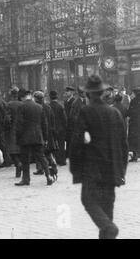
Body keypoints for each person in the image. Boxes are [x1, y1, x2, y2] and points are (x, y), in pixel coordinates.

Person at [70, 75, 128, 239]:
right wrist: (121, 171)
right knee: (107, 210)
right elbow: (123, 145)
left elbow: (76, 143)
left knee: (88, 201)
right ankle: (108, 228)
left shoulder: (86, 112)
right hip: (112, 171)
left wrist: (76, 170)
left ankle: (109, 227)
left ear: (88, 95)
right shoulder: (115, 113)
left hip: (92, 170)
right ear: (103, 92)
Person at [15, 89, 54, 187]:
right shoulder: (39, 107)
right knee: (41, 157)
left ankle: (26, 179)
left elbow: (19, 124)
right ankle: (48, 176)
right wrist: (44, 138)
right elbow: (44, 124)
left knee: (25, 159)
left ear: (23, 97)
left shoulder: (21, 107)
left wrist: (18, 137)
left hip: (25, 137)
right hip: (38, 136)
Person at [34, 91, 58, 180]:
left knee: (40, 152)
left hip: (41, 133)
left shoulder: (37, 108)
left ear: (36, 98)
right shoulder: (48, 107)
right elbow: (52, 120)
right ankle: (52, 162)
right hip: (49, 133)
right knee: (48, 151)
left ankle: (43, 169)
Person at [6, 87, 23, 178]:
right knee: (20, 150)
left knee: (12, 151)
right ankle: (19, 168)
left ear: (11, 95)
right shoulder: (22, 104)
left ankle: (18, 164)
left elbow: (7, 119)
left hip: (12, 129)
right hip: (21, 130)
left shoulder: (9, 104)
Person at [49, 91, 67, 166]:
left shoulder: (48, 106)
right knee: (61, 145)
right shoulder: (60, 106)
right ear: (57, 97)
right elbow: (64, 119)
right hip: (60, 129)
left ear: (50, 97)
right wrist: (64, 127)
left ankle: (53, 161)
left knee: (52, 145)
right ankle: (62, 161)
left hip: (51, 129)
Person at [127, 87, 140, 163]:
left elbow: (130, 112)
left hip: (135, 124)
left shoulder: (134, 101)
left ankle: (135, 155)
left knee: (134, 140)